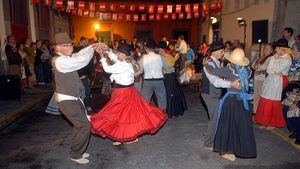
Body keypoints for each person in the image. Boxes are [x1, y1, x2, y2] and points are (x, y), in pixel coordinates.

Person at [91, 43, 167, 145]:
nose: (117, 53)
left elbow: (108, 69)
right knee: (124, 115)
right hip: (126, 91)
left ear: (123, 55)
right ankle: (123, 137)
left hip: (123, 92)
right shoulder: (127, 61)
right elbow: (114, 56)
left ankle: (128, 137)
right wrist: (107, 50)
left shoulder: (123, 65)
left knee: (122, 114)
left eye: (119, 52)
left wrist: (101, 56)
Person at [52, 32, 99, 164]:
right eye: (66, 45)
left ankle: (76, 150)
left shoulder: (65, 57)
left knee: (78, 126)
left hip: (72, 98)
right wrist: (92, 51)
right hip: (67, 100)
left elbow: (78, 55)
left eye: (70, 44)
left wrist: (91, 47)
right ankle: (76, 154)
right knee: (85, 125)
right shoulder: (60, 61)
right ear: (58, 48)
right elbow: (81, 61)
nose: (70, 47)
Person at [205, 48, 257, 161]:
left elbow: (214, 71)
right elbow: (251, 87)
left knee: (227, 125)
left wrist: (206, 65)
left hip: (231, 100)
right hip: (244, 101)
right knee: (242, 125)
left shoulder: (229, 69)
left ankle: (227, 150)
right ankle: (241, 149)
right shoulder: (248, 70)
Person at [200, 41, 240, 151]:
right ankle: (208, 143)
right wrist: (231, 84)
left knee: (215, 115)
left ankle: (210, 133)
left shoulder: (217, 62)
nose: (223, 54)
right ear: (217, 51)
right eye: (222, 51)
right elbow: (216, 82)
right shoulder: (209, 64)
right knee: (215, 116)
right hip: (209, 94)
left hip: (214, 93)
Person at [255, 39, 292, 130]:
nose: (275, 50)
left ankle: (272, 123)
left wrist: (274, 59)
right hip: (270, 80)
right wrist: (274, 61)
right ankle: (264, 121)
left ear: (282, 48)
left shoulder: (287, 59)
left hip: (277, 82)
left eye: (277, 48)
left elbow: (272, 70)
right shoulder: (277, 56)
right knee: (265, 98)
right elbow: (271, 70)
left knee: (273, 101)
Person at [140, 40, 174, 110]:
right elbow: (167, 68)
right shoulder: (160, 57)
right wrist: (173, 69)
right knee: (162, 101)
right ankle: (162, 117)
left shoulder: (143, 57)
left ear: (147, 48)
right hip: (159, 81)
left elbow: (140, 71)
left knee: (144, 102)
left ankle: (145, 117)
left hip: (147, 81)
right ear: (155, 48)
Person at [158, 46, 187, 118]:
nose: (158, 50)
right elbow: (173, 64)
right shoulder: (169, 56)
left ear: (162, 49)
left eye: (159, 49)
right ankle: (176, 110)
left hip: (167, 77)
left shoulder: (162, 57)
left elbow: (166, 67)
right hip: (172, 77)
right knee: (174, 94)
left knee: (168, 94)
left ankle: (169, 111)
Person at [252, 43, 274, 113]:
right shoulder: (262, 57)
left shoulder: (270, 58)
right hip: (257, 78)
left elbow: (263, 67)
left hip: (263, 79)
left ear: (271, 51)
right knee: (256, 96)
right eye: (265, 48)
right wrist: (257, 65)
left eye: (267, 49)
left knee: (261, 97)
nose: (265, 50)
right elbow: (253, 65)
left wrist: (258, 66)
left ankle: (260, 113)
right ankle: (256, 112)